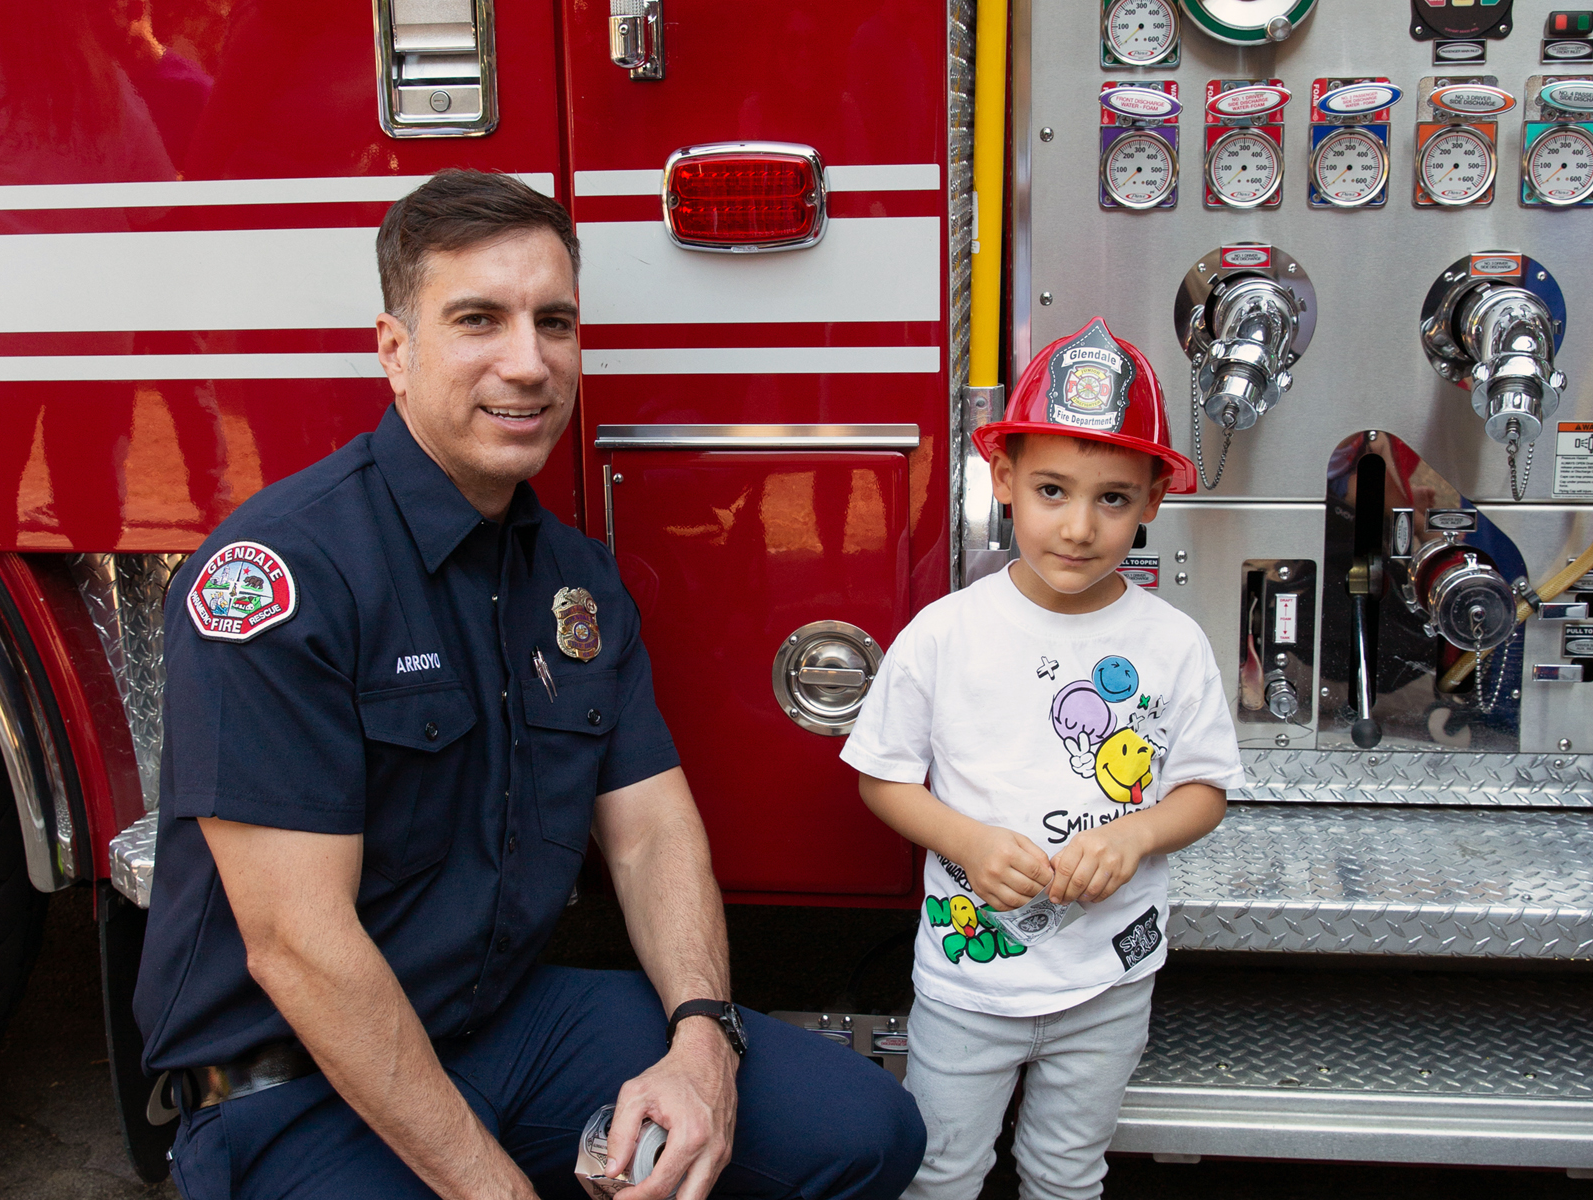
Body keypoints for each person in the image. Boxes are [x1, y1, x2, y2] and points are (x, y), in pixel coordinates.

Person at [134, 169, 925, 1200]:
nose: (530, 361)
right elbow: (299, 947)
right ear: (395, 350)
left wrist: (702, 1041)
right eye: (479, 319)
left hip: (501, 1025)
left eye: (555, 322)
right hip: (296, 1087)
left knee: (863, 1129)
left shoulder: (576, 581)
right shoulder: (281, 578)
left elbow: (651, 834)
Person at [839, 318, 1241, 1200]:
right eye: (1053, 489)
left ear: (1151, 505)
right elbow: (882, 775)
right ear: (1005, 481)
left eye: (1113, 499)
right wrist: (970, 843)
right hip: (967, 985)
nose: (1078, 526)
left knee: (1067, 1173)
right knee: (941, 1172)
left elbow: (1204, 791)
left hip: (1108, 981)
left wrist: (1136, 835)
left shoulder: (1170, 643)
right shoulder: (946, 633)